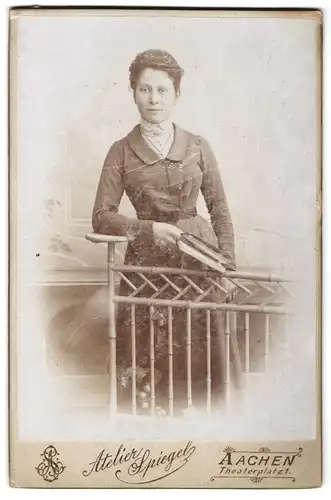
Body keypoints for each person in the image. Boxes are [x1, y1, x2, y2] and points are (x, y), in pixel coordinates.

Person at [92, 49, 242, 416]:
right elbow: (101, 217)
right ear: (133, 93)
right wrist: (149, 228)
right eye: (145, 90)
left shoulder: (198, 146)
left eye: (162, 90)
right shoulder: (120, 152)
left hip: (200, 261)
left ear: (177, 93)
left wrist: (229, 265)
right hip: (148, 266)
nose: (154, 99)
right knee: (152, 354)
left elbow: (219, 210)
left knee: (203, 349)